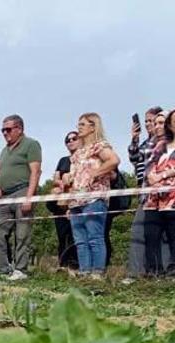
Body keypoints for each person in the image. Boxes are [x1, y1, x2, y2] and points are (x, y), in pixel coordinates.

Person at [142, 108, 175, 276]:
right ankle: (153, 271)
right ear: (170, 125)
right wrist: (152, 176)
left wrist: (166, 174)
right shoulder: (161, 144)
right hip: (153, 196)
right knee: (151, 234)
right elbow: (150, 164)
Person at [65, 112, 120, 278]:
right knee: (80, 240)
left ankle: (97, 273)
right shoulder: (77, 153)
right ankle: (84, 271)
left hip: (94, 197)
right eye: (78, 124)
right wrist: (68, 177)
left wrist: (96, 172)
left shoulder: (100, 146)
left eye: (82, 124)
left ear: (93, 126)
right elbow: (73, 174)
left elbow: (114, 160)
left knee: (94, 236)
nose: (78, 127)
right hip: (76, 200)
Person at [0, 115, 42, 280]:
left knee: (22, 233)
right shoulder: (5, 150)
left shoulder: (31, 145)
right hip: (6, 196)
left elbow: (35, 171)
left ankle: (21, 270)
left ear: (19, 129)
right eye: (3, 130)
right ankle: (3, 270)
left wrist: (29, 197)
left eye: (8, 129)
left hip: (23, 191)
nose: (5, 133)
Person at [126, 106, 164, 278]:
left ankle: (158, 271)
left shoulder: (164, 141)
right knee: (140, 232)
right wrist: (134, 138)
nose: (149, 124)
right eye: (147, 121)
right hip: (144, 193)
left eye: (153, 121)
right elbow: (134, 159)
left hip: (162, 193)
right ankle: (140, 271)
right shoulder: (145, 143)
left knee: (160, 234)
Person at [47, 131, 79, 269]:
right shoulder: (63, 160)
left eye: (74, 138)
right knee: (62, 236)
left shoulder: (84, 159)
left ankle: (76, 266)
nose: (70, 141)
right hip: (62, 204)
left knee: (76, 236)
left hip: (78, 201)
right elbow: (56, 179)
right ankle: (63, 265)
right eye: (67, 140)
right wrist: (61, 184)